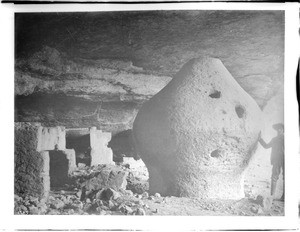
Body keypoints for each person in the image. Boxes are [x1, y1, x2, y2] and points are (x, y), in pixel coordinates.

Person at [259, 123, 284, 201]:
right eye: (277, 129)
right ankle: (272, 196)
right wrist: (260, 139)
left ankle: (285, 197)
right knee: (274, 177)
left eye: (280, 128)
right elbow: (266, 146)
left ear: (283, 129)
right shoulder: (274, 139)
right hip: (276, 160)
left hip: (286, 160)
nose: (278, 130)